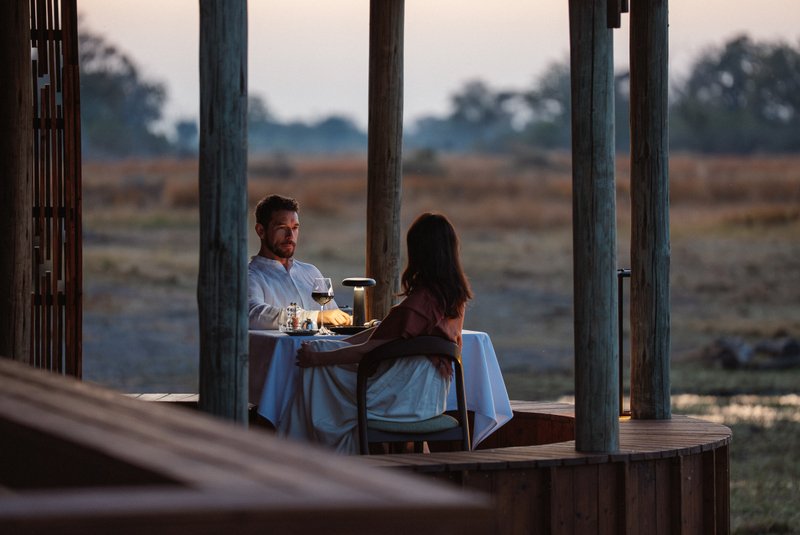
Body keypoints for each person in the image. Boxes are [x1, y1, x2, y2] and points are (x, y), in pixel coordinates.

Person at [278, 212, 473, 454]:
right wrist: (336, 344)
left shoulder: (419, 303)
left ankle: (305, 450)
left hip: (400, 399)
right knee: (322, 352)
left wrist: (319, 358)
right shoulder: (455, 300)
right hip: (432, 400)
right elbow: (381, 335)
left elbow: (370, 349)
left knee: (316, 370)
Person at [248, 194, 352, 330]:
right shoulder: (251, 276)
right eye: (281, 228)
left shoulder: (311, 272)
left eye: (295, 228)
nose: (290, 236)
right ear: (261, 231)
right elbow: (254, 315)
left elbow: (332, 317)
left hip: (321, 350)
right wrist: (315, 317)